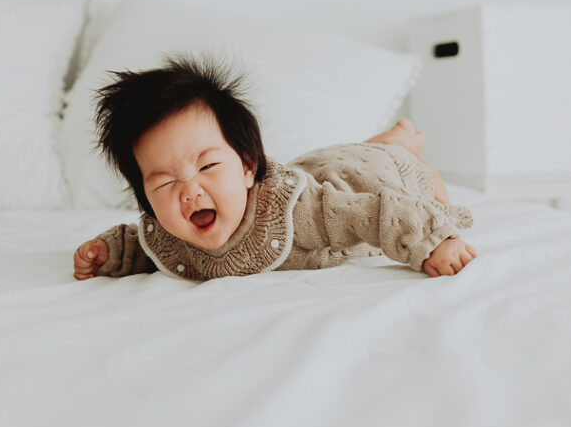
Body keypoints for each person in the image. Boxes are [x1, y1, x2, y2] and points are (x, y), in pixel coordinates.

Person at [73, 56, 476, 283]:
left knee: (425, 185)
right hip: (314, 166)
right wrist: (110, 252)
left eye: (208, 165)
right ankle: (386, 139)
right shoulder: (170, 231)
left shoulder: (302, 214)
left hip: (366, 177)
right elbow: (144, 243)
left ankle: (401, 146)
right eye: (165, 183)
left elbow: (371, 213)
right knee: (332, 163)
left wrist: (432, 243)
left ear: (248, 167)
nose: (190, 191)